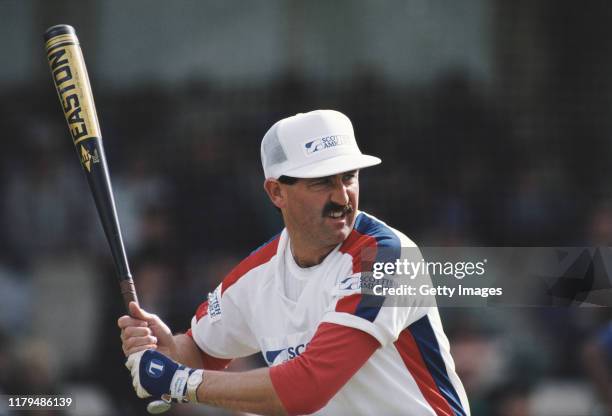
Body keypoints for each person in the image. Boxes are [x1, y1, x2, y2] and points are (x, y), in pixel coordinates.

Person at [119, 109, 471, 415]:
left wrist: (180, 381)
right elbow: (197, 351)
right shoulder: (259, 274)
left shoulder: (384, 258)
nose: (341, 196)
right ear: (276, 192)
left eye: (349, 177)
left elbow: (309, 386)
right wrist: (167, 352)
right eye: (321, 183)